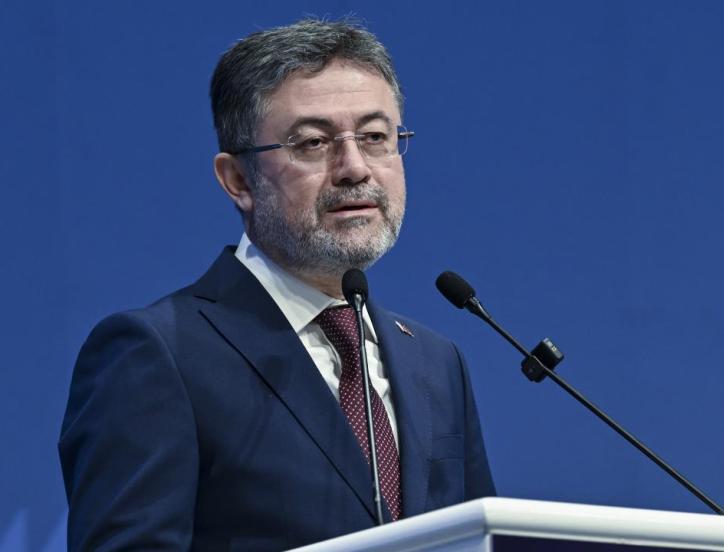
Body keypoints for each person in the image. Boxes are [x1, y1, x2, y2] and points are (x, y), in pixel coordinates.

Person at [59, 18, 495, 551]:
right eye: (313, 143)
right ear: (238, 180)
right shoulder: (158, 353)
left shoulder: (435, 362)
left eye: (375, 137)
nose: (355, 168)